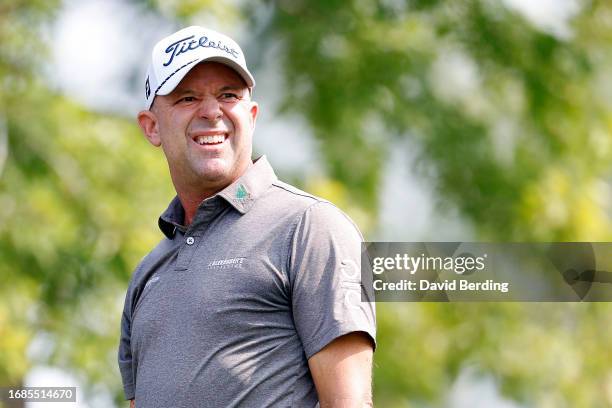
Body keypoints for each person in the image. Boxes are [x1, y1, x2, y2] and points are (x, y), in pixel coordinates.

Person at [117, 25, 376, 408]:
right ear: (151, 127)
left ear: (251, 115)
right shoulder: (147, 273)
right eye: (188, 98)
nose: (211, 111)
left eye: (228, 95)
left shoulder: (311, 227)